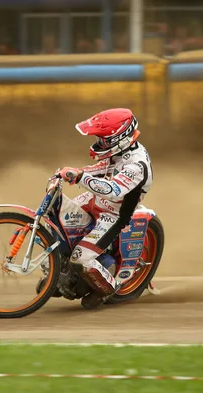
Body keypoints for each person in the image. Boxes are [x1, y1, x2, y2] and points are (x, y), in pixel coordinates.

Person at [56, 108, 153, 308]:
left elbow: (112, 190)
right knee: (60, 223)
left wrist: (82, 177)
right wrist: (76, 172)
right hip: (95, 198)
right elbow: (103, 168)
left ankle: (107, 290)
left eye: (104, 141)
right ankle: (59, 273)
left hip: (114, 213)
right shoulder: (122, 151)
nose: (100, 144)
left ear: (122, 138)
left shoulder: (137, 166)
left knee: (80, 258)